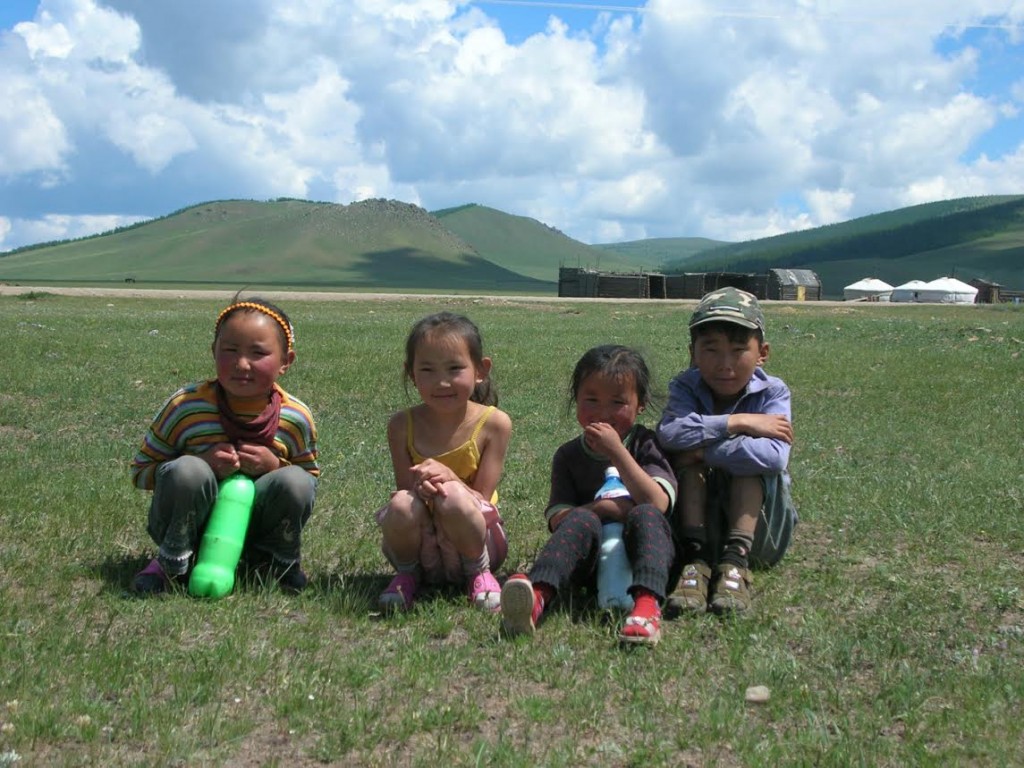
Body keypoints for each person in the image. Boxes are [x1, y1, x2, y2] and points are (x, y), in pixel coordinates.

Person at [130, 295, 319, 595]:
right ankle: (173, 560)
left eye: (258, 353)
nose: (241, 364)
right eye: (229, 350)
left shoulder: (295, 416)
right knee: (190, 471)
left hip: (254, 527)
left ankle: (275, 562)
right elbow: (141, 472)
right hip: (190, 525)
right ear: (213, 351)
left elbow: (309, 483)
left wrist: (273, 466)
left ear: (286, 362)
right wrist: (203, 463)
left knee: (295, 481)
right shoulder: (186, 406)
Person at [500, 345, 677, 646]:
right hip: (588, 564)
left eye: (618, 402)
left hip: (645, 556)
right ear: (576, 399)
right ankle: (537, 596)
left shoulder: (647, 445)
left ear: (641, 404)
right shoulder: (569, 456)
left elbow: (658, 503)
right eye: (591, 400)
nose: (603, 413)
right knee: (581, 517)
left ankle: (646, 606)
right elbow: (558, 519)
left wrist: (617, 452)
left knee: (644, 514)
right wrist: (604, 508)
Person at [656, 287, 797, 615]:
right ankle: (696, 562)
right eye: (711, 349)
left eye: (738, 350)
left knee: (745, 469)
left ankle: (735, 563)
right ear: (693, 352)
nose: (725, 364)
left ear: (762, 352)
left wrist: (704, 453)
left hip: (761, 537)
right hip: (696, 526)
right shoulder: (685, 386)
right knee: (691, 470)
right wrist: (738, 421)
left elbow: (774, 456)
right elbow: (670, 433)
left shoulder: (773, 392)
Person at [376, 312, 512, 613]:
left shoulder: (495, 424)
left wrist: (449, 476)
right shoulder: (401, 425)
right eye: (427, 370)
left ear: (480, 370)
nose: (442, 382)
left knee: (452, 497)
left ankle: (479, 574)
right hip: (422, 545)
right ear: (411, 373)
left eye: (454, 368)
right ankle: (407, 575)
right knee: (400, 503)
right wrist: (421, 487)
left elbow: (483, 500)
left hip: (477, 541)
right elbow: (405, 491)